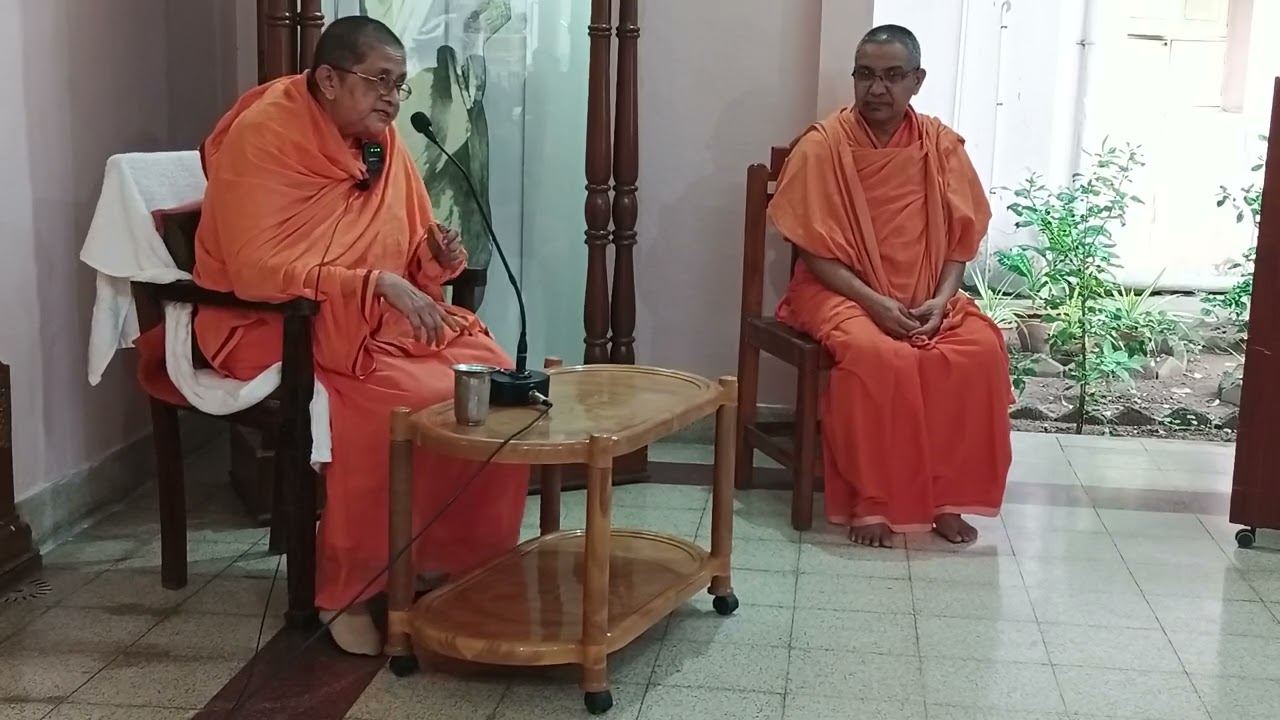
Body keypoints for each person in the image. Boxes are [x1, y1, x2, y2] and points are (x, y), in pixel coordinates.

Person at [191, 17, 528, 654]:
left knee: (489, 376)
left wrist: (435, 258)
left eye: (400, 85)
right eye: (380, 82)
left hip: (363, 313)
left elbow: (406, 244)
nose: (393, 100)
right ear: (326, 79)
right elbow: (255, 269)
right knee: (395, 401)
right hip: (271, 322)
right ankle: (349, 590)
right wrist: (371, 283)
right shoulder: (265, 136)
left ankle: (443, 558)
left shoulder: (382, 141)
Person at [772, 25, 1012, 548]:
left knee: (978, 352)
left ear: (916, 81)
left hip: (927, 292)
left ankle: (945, 500)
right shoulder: (823, 147)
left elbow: (959, 241)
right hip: (836, 291)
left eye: (892, 76)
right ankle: (873, 501)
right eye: (865, 75)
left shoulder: (939, 145)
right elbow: (815, 250)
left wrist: (943, 299)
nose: (876, 89)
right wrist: (874, 302)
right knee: (880, 358)